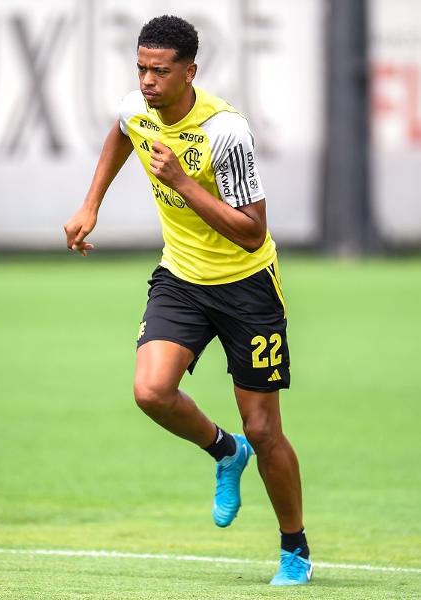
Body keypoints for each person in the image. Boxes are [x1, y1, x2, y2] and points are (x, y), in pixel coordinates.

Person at [64, 15, 312, 586]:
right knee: (151, 391)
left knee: (266, 429)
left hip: (247, 285)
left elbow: (252, 232)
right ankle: (225, 451)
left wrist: (182, 182)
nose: (147, 81)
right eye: (142, 68)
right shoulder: (138, 108)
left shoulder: (226, 131)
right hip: (180, 277)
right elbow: (120, 132)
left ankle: (294, 549)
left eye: (160, 70)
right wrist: (90, 204)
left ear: (189, 71)